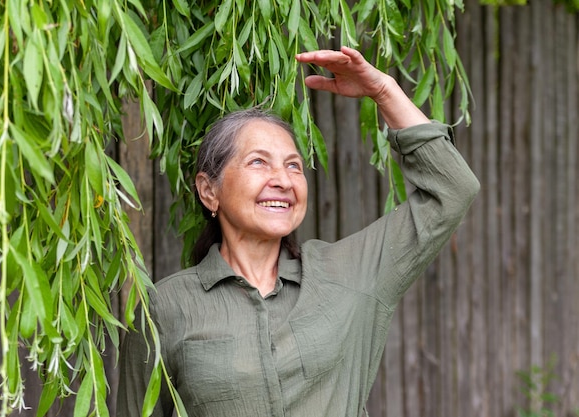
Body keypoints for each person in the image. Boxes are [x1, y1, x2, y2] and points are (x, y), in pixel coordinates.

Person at [117, 46, 480, 417]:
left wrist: (383, 92)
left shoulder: (349, 274)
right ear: (209, 191)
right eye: (258, 162)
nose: (283, 180)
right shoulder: (165, 307)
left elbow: (452, 192)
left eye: (294, 166)